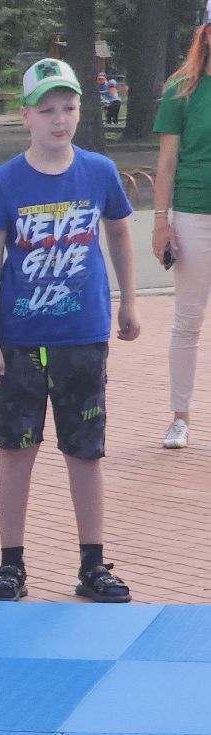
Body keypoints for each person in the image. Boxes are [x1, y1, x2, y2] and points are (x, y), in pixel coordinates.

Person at [0, 58, 140, 603]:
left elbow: (119, 234)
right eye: (46, 109)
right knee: (17, 447)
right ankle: (10, 564)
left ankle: (92, 562)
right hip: (20, 339)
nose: (59, 119)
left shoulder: (99, 172)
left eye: (68, 107)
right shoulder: (5, 182)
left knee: (85, 449)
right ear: (25, 115)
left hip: (82, 334)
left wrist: (129, 302)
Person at [153, 21, 211, 449]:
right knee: (188, 321)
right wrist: (161, 219)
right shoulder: (182, 90)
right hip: (194, 215)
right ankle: (180, 417)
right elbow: (167, 162)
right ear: (206, 34)